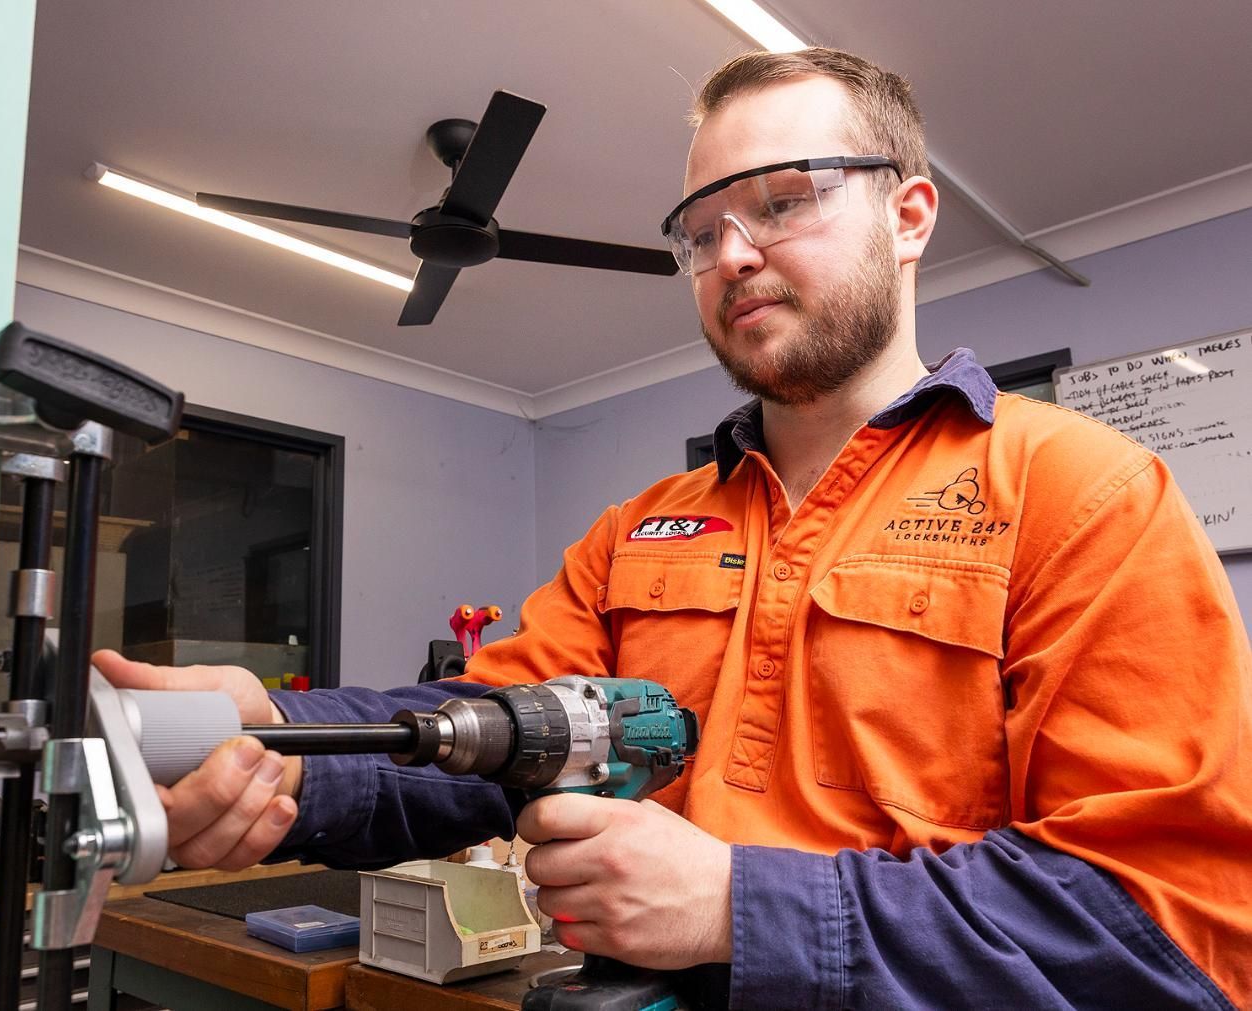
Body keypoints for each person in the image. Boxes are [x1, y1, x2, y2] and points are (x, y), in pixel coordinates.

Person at [95, 47, 1252, 1007]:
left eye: (784, 199)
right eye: (699, 229)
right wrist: (276, 743)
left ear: (907, 216)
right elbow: (480, 739)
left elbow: (1168, 925)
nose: (731, 253)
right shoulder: (638, 533)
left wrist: (738, 908)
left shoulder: (1083, 493)